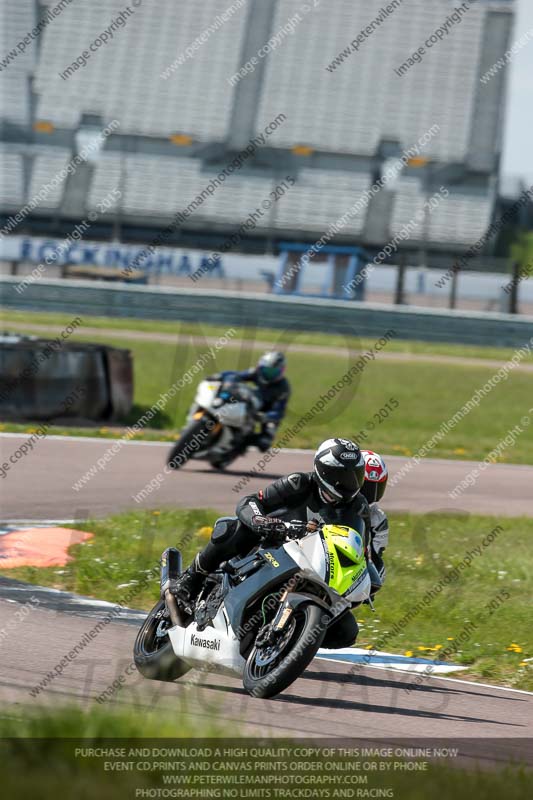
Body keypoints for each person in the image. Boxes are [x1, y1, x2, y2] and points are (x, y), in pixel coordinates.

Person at [174, 438, 371, 648]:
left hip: (314, 565)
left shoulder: (358, 507)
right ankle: (193, 576)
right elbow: (250, 502)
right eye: (343, 476)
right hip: (272, 542)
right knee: (232, 528)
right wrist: (262, 521)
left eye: (355, 475)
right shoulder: (299, 483)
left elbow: (359, 548)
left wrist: (365, 577)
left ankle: (292, 644)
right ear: (324, 471)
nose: (350, 482)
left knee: (347, 632)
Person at [210, 351, 290, 453]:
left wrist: (266, 416)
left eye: (273, 372)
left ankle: (243, 443)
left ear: (281, 371)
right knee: (226, 392)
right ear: (260, 367)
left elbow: (279, 410)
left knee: (264, 442)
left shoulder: (283, 387)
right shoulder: (255, 372)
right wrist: (220, 376)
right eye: (266, 371)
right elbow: (236, 375)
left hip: (265, 409)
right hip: (250, 399)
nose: (269, 375)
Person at [359, 449, 389, 598]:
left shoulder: (378, 518)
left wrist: (371, 583)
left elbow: (376, 556)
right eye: (366, 487)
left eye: (376, 488)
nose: (370, 494)